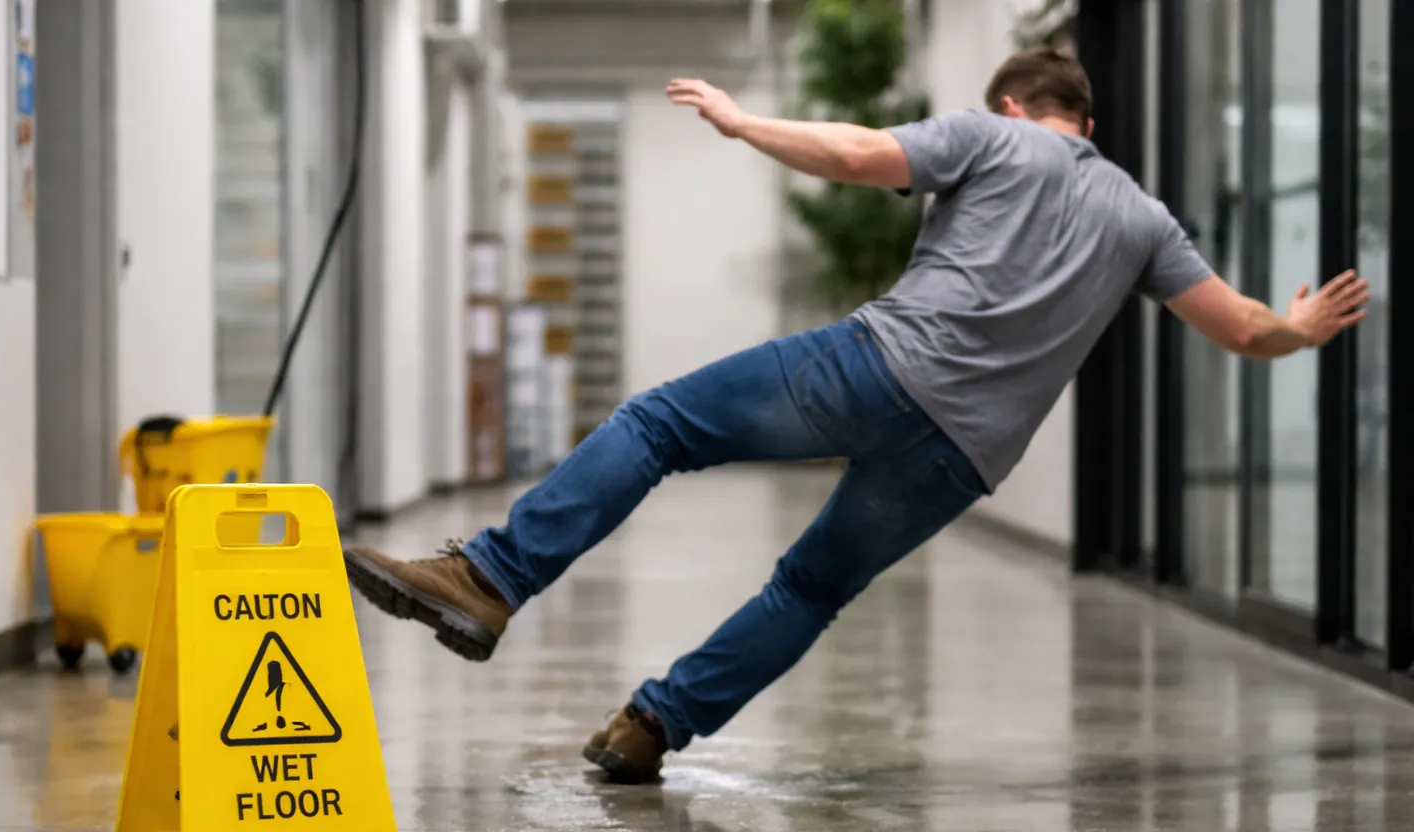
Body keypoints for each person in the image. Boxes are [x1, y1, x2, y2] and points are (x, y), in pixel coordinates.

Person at [344, 47, 1370, 784]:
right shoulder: (1144, 217)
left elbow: (852, 153)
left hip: (877, 368)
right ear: (1087, 127)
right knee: (810, 586)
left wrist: (746, 124)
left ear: (1011, 106)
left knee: (659, 425)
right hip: (964, 455)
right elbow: (1240, 329)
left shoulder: (987, 137)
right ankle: (650, 727)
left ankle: (492, 575)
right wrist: (1300, 329)